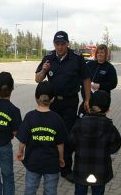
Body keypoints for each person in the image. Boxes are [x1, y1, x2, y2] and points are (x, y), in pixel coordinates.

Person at [35, 31, 91, 182]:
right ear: (54, 44)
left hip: (69, 103)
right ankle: (51, 163)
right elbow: (37, 79)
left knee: (67, 136)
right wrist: (44, 69)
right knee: (50, 133)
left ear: (67, 44)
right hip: (51, 104)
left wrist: (87, 99)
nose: (59, 47)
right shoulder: (48, 58)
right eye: (57, 44)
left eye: (62, 44)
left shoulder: (77, 59)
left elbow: (86, 78)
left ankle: (66, 169)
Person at [68, 90, 121, 195]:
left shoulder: (79, 124)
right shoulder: (109, 126)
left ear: (88, 105)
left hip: (81, 169)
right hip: (101, 170)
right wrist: (104, 151)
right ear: (108, 110)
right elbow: (116, 145)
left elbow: (70, 144)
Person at [16, 81, 67, 195]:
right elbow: (60, 143)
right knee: (50, 191)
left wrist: (20, 152)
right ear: (53, 99)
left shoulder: (30, 117)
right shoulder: (57, 119)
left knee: (30, 188)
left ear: (35, 97)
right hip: (51, 163)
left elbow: (22, 140)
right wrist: (61, 158)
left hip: (33, 162)